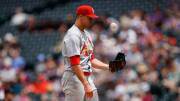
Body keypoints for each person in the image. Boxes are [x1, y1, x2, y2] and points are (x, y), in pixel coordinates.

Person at [61, 5, 110, 101]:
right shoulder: (73, 35)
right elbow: (75, 63)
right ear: (80, 16)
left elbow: (91, 60)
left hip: (86, 77)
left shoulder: (87, 34)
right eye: (89, 18)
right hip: (74, 77)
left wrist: (109, 66)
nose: (91, 21)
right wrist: (85, 84)